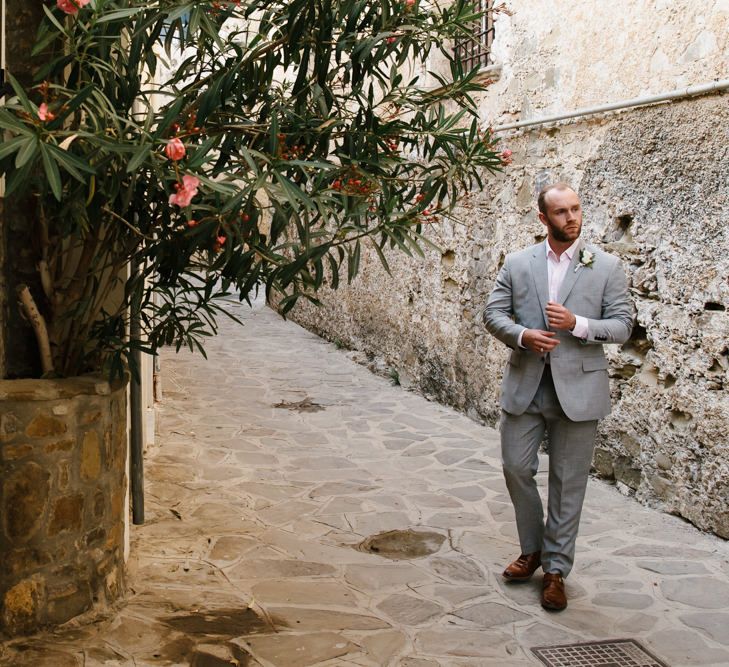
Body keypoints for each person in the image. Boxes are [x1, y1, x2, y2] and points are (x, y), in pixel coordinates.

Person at [483, 183, 633, 611]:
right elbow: (493, 314)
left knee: (569, 484)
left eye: (576, 209)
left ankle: (555, 570)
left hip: (580, 388)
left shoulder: (606, 265)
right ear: (543, 218)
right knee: (516, 467)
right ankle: (532, 549)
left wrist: (579, 324)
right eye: (561, 212)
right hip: (526, 384)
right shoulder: (517, 263)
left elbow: (623, 326)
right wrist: (524, 335)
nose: (571, 218)